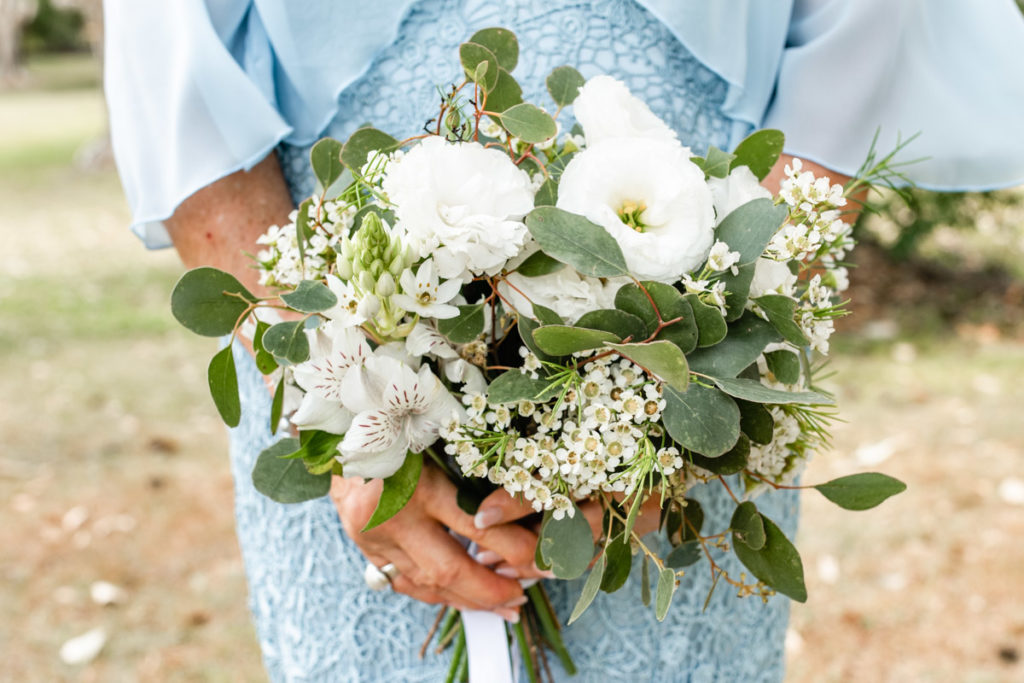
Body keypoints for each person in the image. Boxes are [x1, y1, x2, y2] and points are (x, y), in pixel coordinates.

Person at [103, 0, 1024, 679]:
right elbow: (168, 36)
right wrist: (344, 403)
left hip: (699, 279)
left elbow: (863, 29)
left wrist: (703, 372)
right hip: (330, 284)